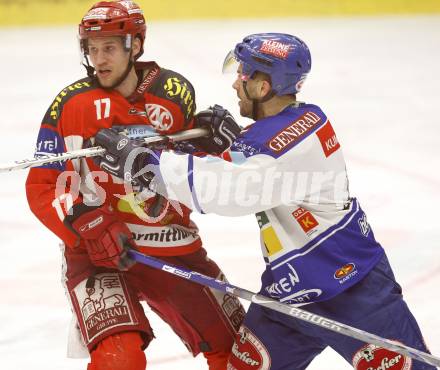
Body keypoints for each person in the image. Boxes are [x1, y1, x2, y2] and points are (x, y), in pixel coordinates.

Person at [93, 33, 436, 369]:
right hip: (288, 294)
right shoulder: (299, 119)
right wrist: (217, 146)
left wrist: (143, 166)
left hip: (352, 289)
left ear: (263, 87)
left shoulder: (283, 143)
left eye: (241, 75)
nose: (234, 84)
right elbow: (243, 166)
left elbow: (227, 189)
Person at [25, 1, 245, 370]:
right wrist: (86, 221)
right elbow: (43, 184)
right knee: (119, 361)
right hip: (99, 253)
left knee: (241, 351)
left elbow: (191, 172)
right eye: (92, 50)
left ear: (135, 46)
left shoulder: (172, 93)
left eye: (109, 48)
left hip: (170, 243)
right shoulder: (71, 104)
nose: (98, 60)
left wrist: (225, 148)